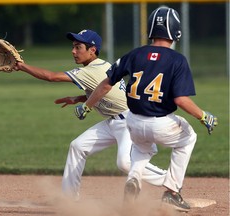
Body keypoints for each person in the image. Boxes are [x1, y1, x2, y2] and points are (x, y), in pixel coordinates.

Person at [75, 8, 218, 212]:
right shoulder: (177, 60)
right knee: (188, 138)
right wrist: (204, 116)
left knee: (142, 149)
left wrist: (86, 106)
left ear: (150, 30)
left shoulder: (134, 55)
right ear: (176, 32)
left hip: (133, 122)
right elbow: (181, 99)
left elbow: (107, 83)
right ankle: (172, 192)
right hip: (161, 122)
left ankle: (134, 178)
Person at [11, 29, 167, 200]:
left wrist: (21, 66)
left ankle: (170, 180)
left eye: (78, 47)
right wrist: (78, 98)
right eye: (73, 47)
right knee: (78, 146)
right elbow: (106, 92)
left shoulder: (90, 71)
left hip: (130, 122)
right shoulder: (101, 65)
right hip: (115, 121)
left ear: (92, 50)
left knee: (125, 162)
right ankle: (70, 200)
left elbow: (51, 77)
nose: (73, 51)